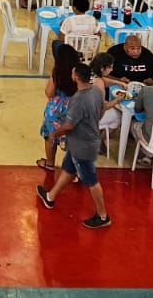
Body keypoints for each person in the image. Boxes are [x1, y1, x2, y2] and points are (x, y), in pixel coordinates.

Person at [35, 63, 111, 229]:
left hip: (82, 146)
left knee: (91, 180)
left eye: (72, 72)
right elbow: (101, 110)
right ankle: (50, 197)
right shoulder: (96, 91)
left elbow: (69, 125)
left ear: (76, 77)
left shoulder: (78, 99)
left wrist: (54, 134)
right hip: (84, 141)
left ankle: (103, 215)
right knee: (68, 169)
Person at [38, 43, 78, 171]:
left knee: (50, 137)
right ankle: (73, 169)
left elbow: (49, 93)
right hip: (73, 109)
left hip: (55, 111)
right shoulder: (79, 72)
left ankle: (50, 163)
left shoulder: (57, 73)